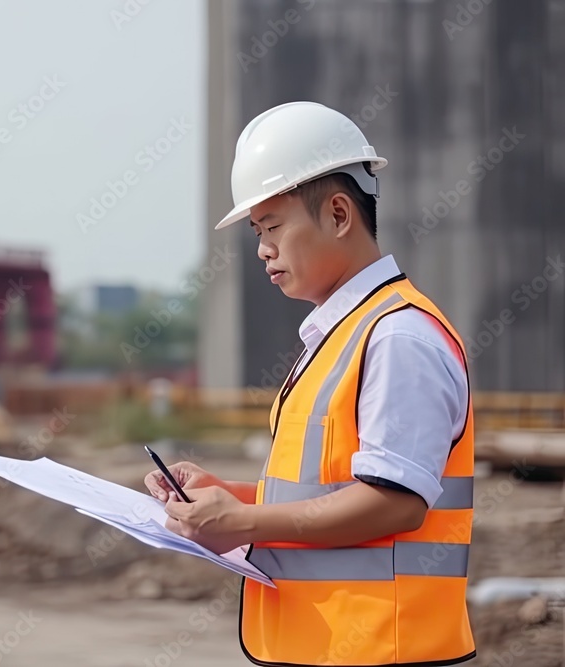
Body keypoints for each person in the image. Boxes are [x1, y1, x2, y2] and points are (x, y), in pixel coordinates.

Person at [144, 101, 475, 666]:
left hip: (385, 650)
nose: (262, 248)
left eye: (272, 226)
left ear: (339, 215)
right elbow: (328, 492)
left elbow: (396, 505)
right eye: (256, 231)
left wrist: (243, 523)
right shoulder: (343, 335)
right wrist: (231, 494)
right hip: (331, 649)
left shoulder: (397, 338)